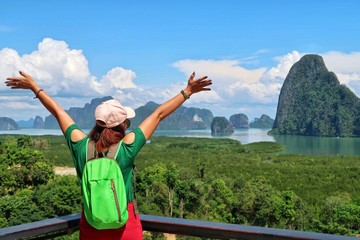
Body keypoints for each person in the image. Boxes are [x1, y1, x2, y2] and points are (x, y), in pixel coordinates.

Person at [5, 70, 212, 240]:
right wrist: (187, 92)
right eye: (127, 122)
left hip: (91, 224)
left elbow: (58, 112)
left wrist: (35, 87)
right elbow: (158, 114)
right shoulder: (127, 145)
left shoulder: (80, 145)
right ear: (122, 125)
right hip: (126, 225)